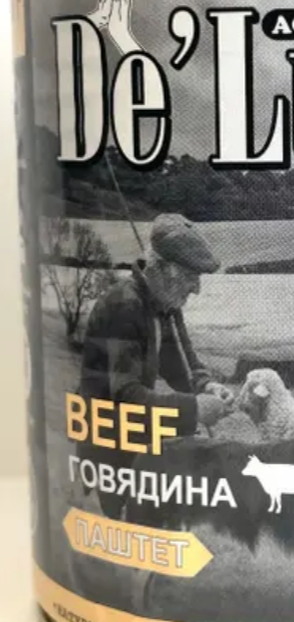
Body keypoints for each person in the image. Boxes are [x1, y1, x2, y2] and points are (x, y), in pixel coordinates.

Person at [76, 214, 234, 517]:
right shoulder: (123, 307)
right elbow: (125, 397)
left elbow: (182, 365)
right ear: (166, 269)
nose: (197, 288)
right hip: (107, 451)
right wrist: (194, 409)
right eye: (192, 276)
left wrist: (207, 386)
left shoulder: (165, 306)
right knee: (124, 531)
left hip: (135, 440)